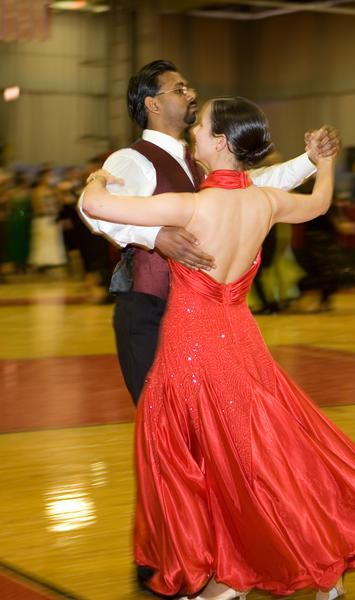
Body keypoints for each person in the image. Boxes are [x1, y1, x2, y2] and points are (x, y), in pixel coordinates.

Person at [82, 96, 355, 600]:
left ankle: (234, 574)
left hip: (192, 348)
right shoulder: (264, 201)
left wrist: (96, 179)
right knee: (268, 447)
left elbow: (97, 207)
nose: (193, 131)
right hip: (242, 337)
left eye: (201, 126)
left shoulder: (191, 206)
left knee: (214, 461)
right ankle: (315, 555)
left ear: (220, 142)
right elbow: (320, 204)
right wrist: (324, 162)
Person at [79, 59, 339, 406]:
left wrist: (310, 160)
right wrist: (155, 237)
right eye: (180, 89)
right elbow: (94, 211)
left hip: (199, 320)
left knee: (201, 419)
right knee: (161, 414)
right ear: (153, 104)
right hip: (149, 307)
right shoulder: (131, 159)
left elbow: (255, 185)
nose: (191, 94)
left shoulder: (200, 162)